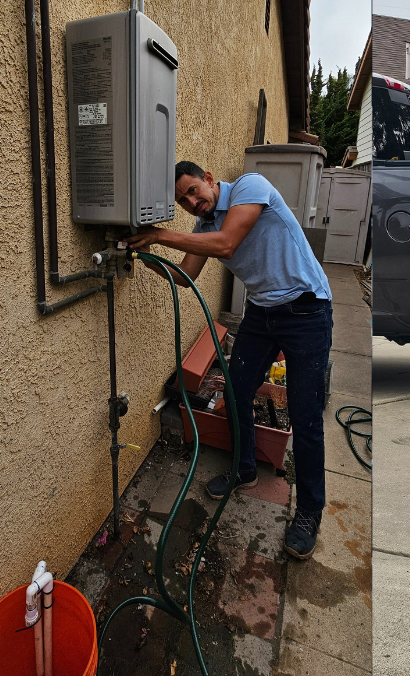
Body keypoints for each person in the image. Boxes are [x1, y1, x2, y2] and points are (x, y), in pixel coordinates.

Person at [124, 161, 333, 559]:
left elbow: (227, 245)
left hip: (306, 311)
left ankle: (309, 511)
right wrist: (145, 253)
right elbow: (184, 277)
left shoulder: (250, 187)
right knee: (236, 391)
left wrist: (161, 234)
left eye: (192, 191)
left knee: (306, 417)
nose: (191, 202)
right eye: (183, 201)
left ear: (207, 178)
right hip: (262, 313)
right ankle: (245, 469)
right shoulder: (204, 228)